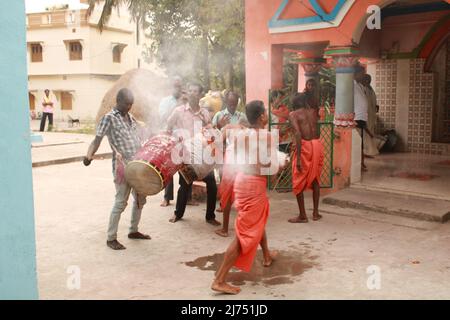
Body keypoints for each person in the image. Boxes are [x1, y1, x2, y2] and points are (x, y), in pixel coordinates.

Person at [212, 100, 283, 295]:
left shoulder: (240, 135)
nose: (268, 115)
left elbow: (235, 160)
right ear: (261, 116)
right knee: (243, 234)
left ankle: (267, 255)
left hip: (242, 181)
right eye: (266, 112)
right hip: (253, 185)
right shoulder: (267, 136)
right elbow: (269, 168)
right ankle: (219, 279)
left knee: (256, 221)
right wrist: (281, 165)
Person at [84, 88, 151, 250]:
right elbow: (97, 139)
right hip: (122, 167)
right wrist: (88, 156)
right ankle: (111, 238)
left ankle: (133, 231)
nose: (129, 107)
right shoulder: (109, 119)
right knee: (121, 202)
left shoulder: (130, 118)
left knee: (141, 199)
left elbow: (140, 136)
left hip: (137, 165)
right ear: (118, 101)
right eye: (127, 104)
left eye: (131, 104)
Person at [166, 83, 221, 226]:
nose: (192, 93)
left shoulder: (204, 113)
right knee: (184, 185)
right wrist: (174, 140)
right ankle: (178, 214)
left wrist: (211, 132)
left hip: (203, 156)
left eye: (195, 91)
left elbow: (210, 132)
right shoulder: (179, 111)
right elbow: (169, 126)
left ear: (200, 95)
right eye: (190, 90)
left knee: (212, 185)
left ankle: (210, 216)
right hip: (186, 154)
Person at [288, 93, 324, 223]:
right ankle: (315, 213)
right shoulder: (313, 112)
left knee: (297, 180)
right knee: (315, 179)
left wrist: (298, 157)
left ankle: (302, 215)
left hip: (305, 146)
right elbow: (317, 130)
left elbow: (298, 133)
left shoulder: (293, 114)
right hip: (317, 144)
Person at [159, 76, 188, 207]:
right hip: (170, 138)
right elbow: (164, 118)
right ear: (171, 87)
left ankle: (187, 197)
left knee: (186, 167)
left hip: (185, 137)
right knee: (170, 168)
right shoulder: (165, 101)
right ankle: (167, 198)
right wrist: (178, 106)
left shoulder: (186, 101)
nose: (178, 88)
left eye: (180, 86)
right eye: (175, 86)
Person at [354, 65, 373, 171]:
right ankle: (358, 164)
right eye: (362, 73)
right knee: (356, 144)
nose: (364, 75)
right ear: (356, 74)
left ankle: (361, 163)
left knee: (360, 143)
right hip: (355, 118)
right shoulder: (351, 84)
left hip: (361, 118)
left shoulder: (360, 86)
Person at [362, 74, 387, 156]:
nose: (369, 81)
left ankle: (369, 150)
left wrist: (376, 106)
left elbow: (372, 100)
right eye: (367, 79)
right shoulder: (363, 88)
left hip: (371, 114)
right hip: (366, 114)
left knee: (370, 131)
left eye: (370, 79)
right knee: (367, 132)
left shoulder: (370, 88)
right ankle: (367, 151)